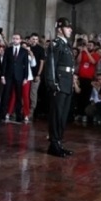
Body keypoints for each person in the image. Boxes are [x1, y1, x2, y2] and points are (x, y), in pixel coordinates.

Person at [44, 17, 77, 157]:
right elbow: (51, 65)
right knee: (56, 115)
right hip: (59, 84)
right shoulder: (56, 44)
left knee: (63, 115)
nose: (70, 30)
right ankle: (54, 144)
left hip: (67, 84)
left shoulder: (66, 45)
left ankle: (58, 142)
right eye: (68, 27)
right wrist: (52, 83)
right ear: (60, 29)